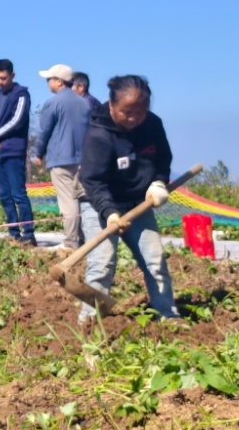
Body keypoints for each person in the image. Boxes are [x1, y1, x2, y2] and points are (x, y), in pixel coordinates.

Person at [76, 75, 179, 322]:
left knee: (155, 262)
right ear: (112, 105)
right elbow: (93, 181)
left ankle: (167, 315)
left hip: (138, 203)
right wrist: (109, 212)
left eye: (140, 111)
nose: (133, 118)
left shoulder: (152, 125)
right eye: (127, 112)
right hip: (97, 201)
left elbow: (163, 159)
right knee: (102, 264)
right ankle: (90, 321)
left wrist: (158, 182)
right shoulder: (99, 135)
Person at [31, 64, 89, 246]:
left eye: (50, 79)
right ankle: (84, 239)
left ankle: (71, 242)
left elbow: (44, 132)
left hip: (61, 159)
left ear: (59, 81)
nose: (48, 83)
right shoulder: (84, 103)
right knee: (83, 200)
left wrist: (38, 154)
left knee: (68, 202)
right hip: (84, 159)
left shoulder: (53, 103)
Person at [0, 59, 34, 244]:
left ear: (12, 76)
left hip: (14, 151)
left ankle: (28, 233)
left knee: (18, 194)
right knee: (4, 195)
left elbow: (17, 120)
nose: (0, 82)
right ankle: (14, 233)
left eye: (3, 78)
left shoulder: (21, 95)